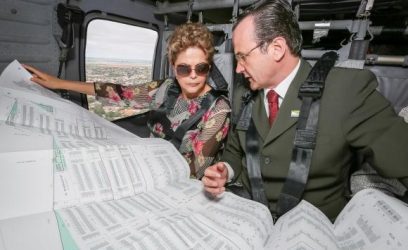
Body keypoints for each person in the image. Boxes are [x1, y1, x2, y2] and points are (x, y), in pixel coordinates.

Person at [202, 0, 408, 221]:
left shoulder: (346, 91)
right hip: (251, 217)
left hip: (314, 226)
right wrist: (225, 170)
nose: (238, 68)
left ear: (277, 49)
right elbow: (235, 150)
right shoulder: (244, 93)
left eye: (243, 56)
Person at [24, 22, 231, 179]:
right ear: (173, 66)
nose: (193, 75)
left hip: (174, 178)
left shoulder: (218, 109)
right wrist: (59, 83)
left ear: (209, 67)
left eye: (201, 68)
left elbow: (195, 170)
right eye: (184, 68)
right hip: (148, 163)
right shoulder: (165, 89)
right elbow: (119, 93)